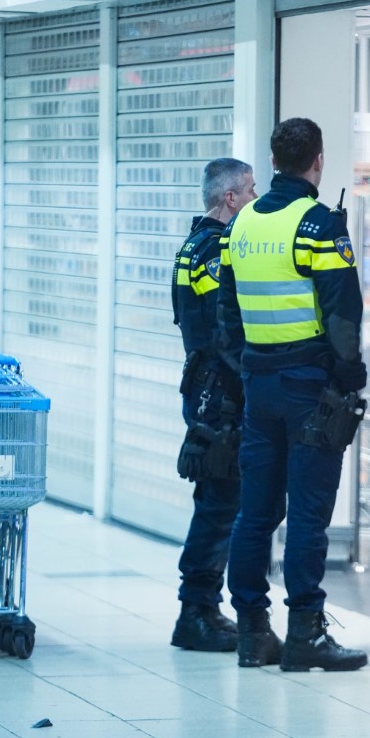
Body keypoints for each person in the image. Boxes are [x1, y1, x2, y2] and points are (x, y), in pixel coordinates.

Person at [216, 117, 369, 672]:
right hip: (309, 385)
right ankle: (305, 631)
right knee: (307, 513)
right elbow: (343, 313)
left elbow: (226, 312)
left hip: (259, 384)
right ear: (318, 161)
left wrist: (246, 366)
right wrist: (351, 378)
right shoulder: (318, 224)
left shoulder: (243, 222)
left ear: (274, 160)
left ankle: (253, 632)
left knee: (255, 513)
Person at [168, 158, 257, 652]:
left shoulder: (193, 244)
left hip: (203, 386)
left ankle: (203, 606)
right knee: (220, 503)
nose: (254, 200)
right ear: (230, 198)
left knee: (216, 500)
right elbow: (224, 329)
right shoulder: (219, 250)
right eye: (250, 191)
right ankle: (196, 611)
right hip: (219, 392)